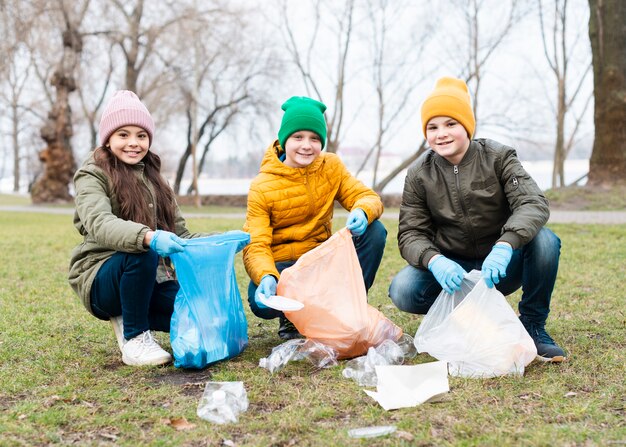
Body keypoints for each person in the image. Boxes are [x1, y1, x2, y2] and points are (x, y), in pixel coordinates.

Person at [388, 77, 566, 362]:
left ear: (467, 126)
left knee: (545, 241)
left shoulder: (498, 157)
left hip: (501, 266)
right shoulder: (419, 173)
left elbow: (533, 203)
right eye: (432, 127)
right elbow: (411, 233)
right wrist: (436, 261)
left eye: (450, 124)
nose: (441, 134)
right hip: (453, 271)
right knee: (402, 289)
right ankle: (466, 319)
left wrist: (506, 245)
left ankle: (533, 325)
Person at [69, 90, 204, 366]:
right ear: (108, 138)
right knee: (141, 252)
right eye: (123, 134)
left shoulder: (156, 179)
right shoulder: (92, 173)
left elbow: (182, 235)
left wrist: (224, 240)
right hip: (101, 276)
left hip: (151, 278)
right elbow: (99, 223)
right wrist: (148, 237)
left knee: (193, 311)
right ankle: (134, 338)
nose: (133, 143)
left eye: (141, 136)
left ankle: (131, 314)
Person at [243, 96, 387, 340]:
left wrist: (362, 210)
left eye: (314, 138)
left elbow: (365, 196)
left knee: (375, 231)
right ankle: (291, 320)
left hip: (320, 259)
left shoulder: (331, 166)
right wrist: (267, 276)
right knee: (261, 303)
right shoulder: (261, 185)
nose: (306, 145)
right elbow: (256, 244)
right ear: (284, 139)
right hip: (284, 266)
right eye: (298, 137)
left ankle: (346, 309)